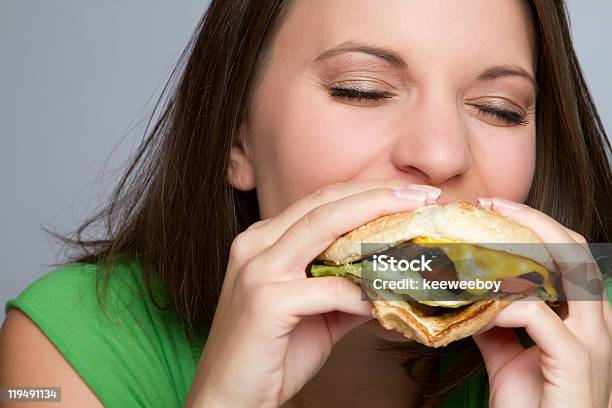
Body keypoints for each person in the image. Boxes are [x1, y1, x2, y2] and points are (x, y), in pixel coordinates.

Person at [1, 0, 611, 407]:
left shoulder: (593, 326)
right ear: (236, 136)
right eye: (362, 90)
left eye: (499, 109)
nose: (442, 153)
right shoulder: (70, 343)